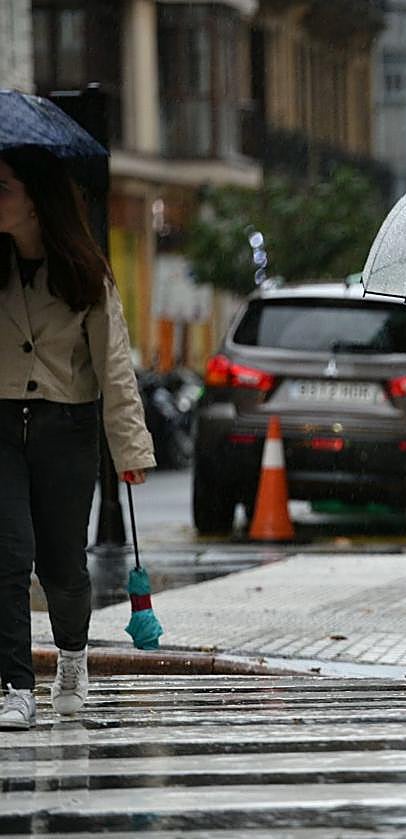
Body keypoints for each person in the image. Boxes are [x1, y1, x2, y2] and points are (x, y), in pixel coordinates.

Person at [0, 146, 155, 730]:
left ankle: (71, 659)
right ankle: (16, 685)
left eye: (3, 187)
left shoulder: (86, 273)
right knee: (7, 556)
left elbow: (114, 367)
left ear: (36, 202)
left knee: (61, 564)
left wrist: (130, 451)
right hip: (1, 426)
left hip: (66, 427)